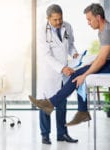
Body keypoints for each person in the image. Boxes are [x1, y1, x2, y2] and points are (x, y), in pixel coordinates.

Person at [29, 3, 110, 127]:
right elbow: (104, 55)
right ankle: (80, 111)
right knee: (79, 74)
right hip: (51, 70)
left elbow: (102, 59)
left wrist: (85, 73)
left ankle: (53, 104)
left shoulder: (108, 31)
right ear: (48, 18)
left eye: (89, 19)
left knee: (80, 75)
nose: (88, 22)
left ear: (98, 17)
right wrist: (91, 63)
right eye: (55, 19)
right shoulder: (103, 30)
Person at [35, 4, 79, 144]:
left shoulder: (67, 26)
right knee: (46, 104)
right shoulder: (42, 31)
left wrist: (74, 53)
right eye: (55, 20)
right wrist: (61, 68)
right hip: (49, 72)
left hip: (64, 72)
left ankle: (62, 134)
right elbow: (46, 55)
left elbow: (70, 44)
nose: (59, 22)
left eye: (60, 18)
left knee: (62, 104)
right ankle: (45, 135)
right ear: (48, 18)